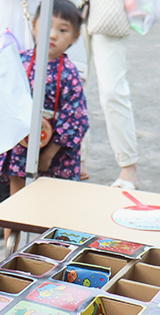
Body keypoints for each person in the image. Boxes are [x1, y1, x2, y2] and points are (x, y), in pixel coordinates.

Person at [0, 0, 88, 216]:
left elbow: (75, 118)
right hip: (17, 147)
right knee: (12, 203)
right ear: (33, 25)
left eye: (63, 30)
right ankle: (11, 245)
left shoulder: (70, 74)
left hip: (53, 154)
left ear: (75, 37)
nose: (52, 35)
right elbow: (1, 100)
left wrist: (49, 153)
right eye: (47, 26)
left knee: (49, 208)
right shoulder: (18, 61)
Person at [81, 0, 139, 189]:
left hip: (110, 9)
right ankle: (76, 158)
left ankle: (128, 166)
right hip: (70, 8)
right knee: (72, 86)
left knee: (112, 91)